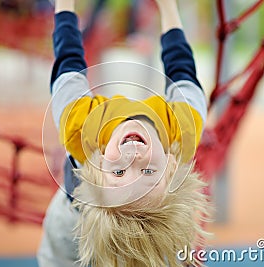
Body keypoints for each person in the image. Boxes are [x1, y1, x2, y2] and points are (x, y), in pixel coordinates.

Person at [38, 0, 210, 266]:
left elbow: (67, 58)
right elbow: (182, 68)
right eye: (148, 172)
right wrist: (168, 8)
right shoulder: (184, 126)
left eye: (118, 172)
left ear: (98, 164)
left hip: (72, 220)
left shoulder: (79, 126)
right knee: (151, 252)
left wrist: (65, 5)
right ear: (173, 165)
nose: (132, 157)